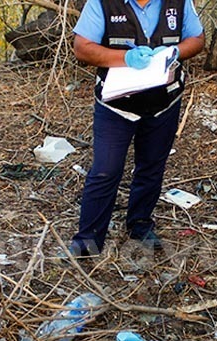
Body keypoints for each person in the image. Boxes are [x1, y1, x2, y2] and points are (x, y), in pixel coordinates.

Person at [67, 0, 205, 257]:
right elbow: (82, 48)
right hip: (116, 106)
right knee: (105, 171)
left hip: (165, 101)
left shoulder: (179, 2)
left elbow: (197, 38)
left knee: (152, 166)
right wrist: (125, 58)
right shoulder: (102, 3)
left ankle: (140, 225)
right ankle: (88, 239)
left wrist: (175, 51)